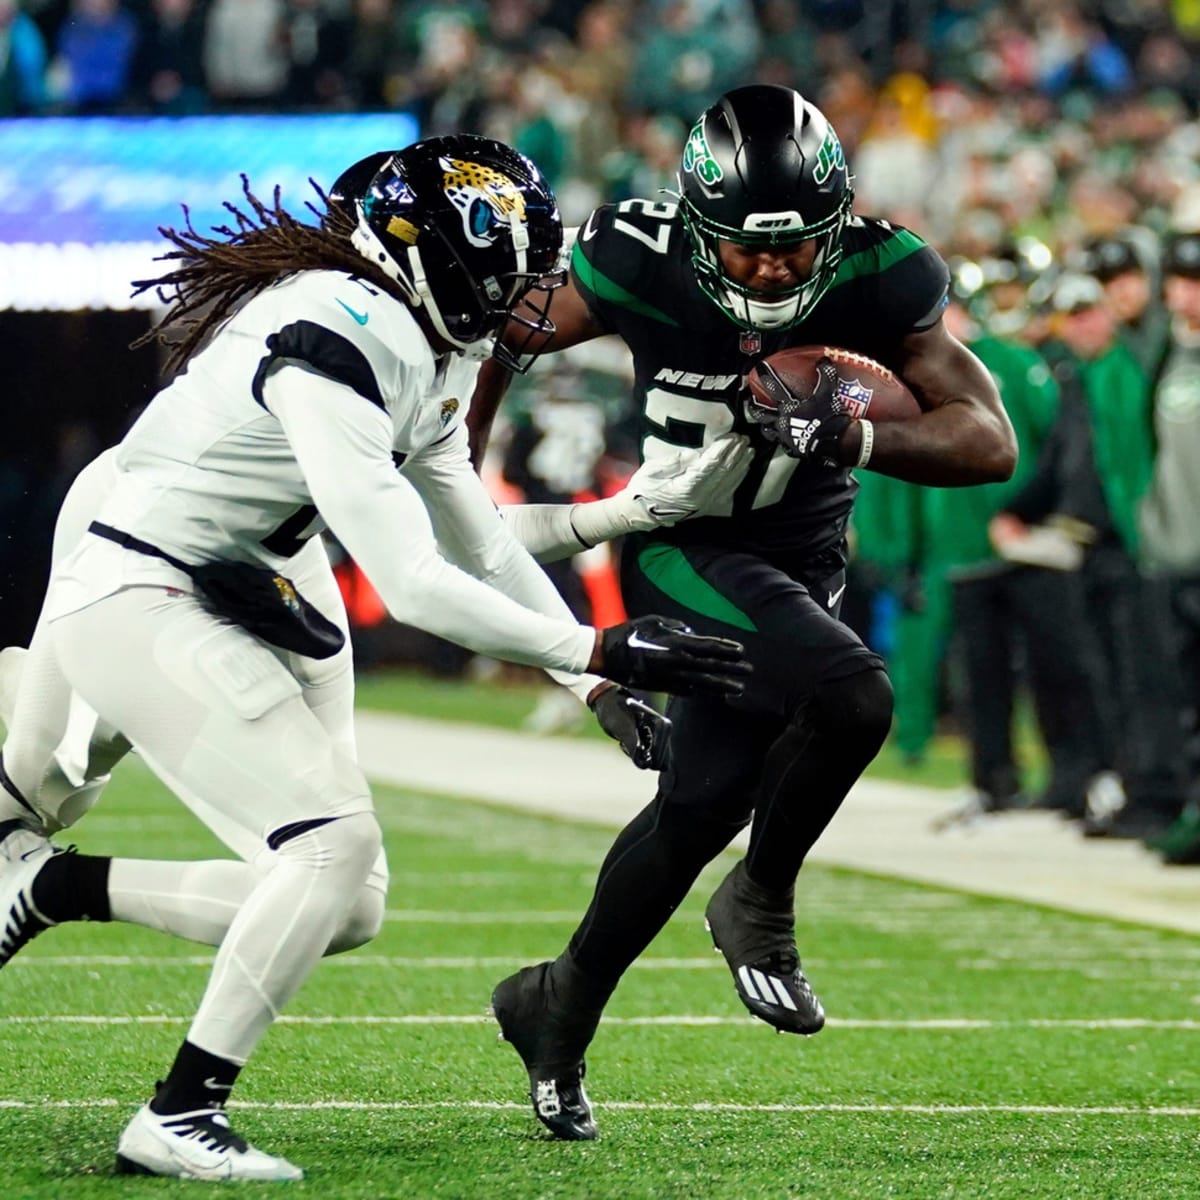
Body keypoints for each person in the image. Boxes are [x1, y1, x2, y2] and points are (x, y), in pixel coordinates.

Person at [0, 135, 755, 1182]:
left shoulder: (433, 342)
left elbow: (479, 542)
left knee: (344, 899)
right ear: (440, 254)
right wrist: (595, 638)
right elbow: (410, 579)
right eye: (513, 268)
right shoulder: (333, 332)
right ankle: (180, 1112)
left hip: (260, 569)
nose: (530, 297)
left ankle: (48, 889)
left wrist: (591, 682)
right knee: (309, 839)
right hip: (144, 577)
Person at [467, 84, 1016, 1140]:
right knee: (857, 696)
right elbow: (502, 334)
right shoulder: (636, 255)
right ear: (697, 221)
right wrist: (455, 458)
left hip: (802, 560)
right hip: (681, 546)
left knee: (702, 801)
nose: (771, 270)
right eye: (748, 250)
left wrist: (851, 438)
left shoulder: (882, 273)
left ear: (837, 224)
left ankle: (554, 1005)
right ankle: (759, 904)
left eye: (794, 250)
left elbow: (987, 441)